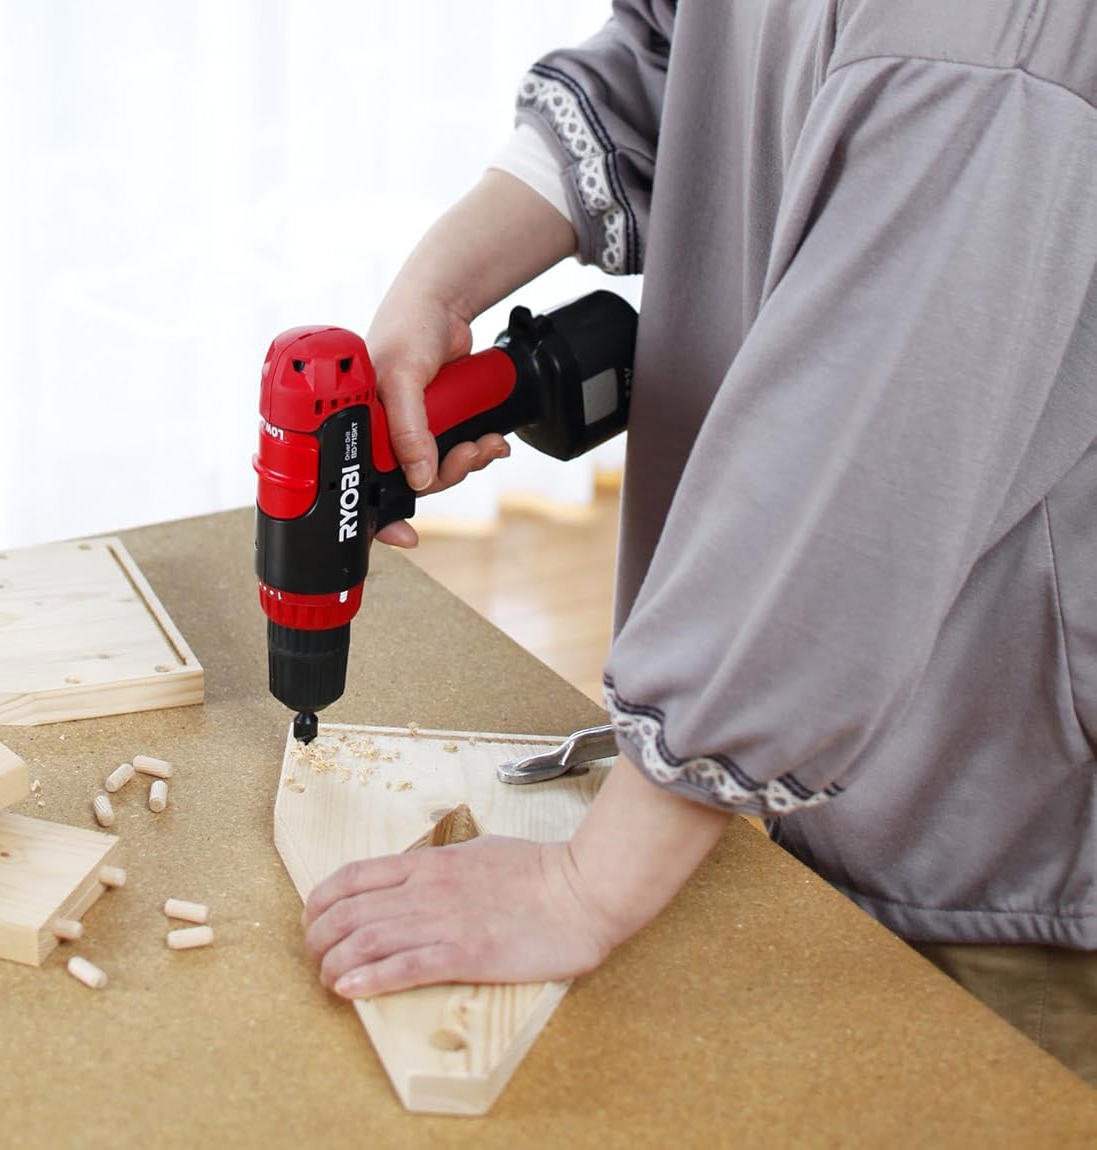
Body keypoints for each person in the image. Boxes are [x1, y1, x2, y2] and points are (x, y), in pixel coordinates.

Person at [300, 0, 1097, 1086]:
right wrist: (444, 277)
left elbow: (852, 469)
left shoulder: (986, 41)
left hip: (1004, 835)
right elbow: (679, 55)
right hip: (827, 770)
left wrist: (584, 887)